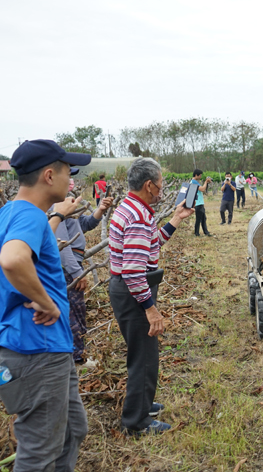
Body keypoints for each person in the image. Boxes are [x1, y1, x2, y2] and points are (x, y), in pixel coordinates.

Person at [0, 139, 91, 471]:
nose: (70, 178)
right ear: (48, 175)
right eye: (67, 171)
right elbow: (14, 259)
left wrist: (57, 216)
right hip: (38, 351)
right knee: (39, 453)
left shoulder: (10, 214)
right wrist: (49, 303)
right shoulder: (29, 216)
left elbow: (29, 241)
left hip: (38, 348)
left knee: (74, 429)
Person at [108, 157, 194, 436]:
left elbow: (151, 243)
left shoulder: (133, 208)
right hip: (134, 292)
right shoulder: (136, 216)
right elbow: (133, 271)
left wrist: (177, 218)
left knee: (143, 353)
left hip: (128, 290)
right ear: (148, 185)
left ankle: (142, 404)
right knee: (144, 358)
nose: (162, 190)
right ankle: (136, 422)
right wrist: (150, 308)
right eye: (160, 184)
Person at [56, 179, 114, 363]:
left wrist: (100, 210)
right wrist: (76, 272)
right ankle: (76, 357)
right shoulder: (56, 208)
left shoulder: (67, 204)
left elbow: (86, 224)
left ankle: (76, 354)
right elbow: (62, 245)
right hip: (68, 267)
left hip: (73, 263)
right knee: (73, 311)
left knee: (77, 310)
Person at [190, 169, 212, 236]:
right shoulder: (194, 182)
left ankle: (205, 232)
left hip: (199, 203)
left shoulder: (195, 182)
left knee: (203, 218)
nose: (200, 177)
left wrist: (206, 183)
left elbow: (203, 189)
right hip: (198, 203)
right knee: (199, 219)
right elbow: (202, 189)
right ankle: (197, 233)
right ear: (196, 175)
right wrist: (206, 181)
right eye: (200, 175)